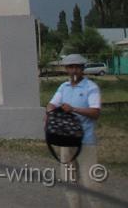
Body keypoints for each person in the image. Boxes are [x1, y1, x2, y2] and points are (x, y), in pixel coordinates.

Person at [46, 53, 102, 207]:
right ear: (66, 69)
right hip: (65, 140)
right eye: (71, 67)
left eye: (77, 67)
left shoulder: (91, 87)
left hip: (85, 141)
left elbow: (95, 112)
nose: (74, 70)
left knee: (90, 183)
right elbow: (52, 104)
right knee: (69, 181)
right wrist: (50, 112)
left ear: (83, 69)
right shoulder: (63, 87)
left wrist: (74, 109)